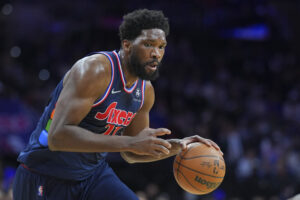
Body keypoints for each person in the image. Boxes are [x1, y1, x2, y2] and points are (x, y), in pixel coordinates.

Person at [12, 9, 222, 200]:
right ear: (127, 45)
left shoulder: (145, 90)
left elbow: (133, 153)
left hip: (91, 175)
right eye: (148, 44)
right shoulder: (94, 71)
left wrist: (177, 146)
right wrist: (129, 143)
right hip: (45, 174)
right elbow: (58, 137)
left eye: (161, 47)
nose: (156, 54)